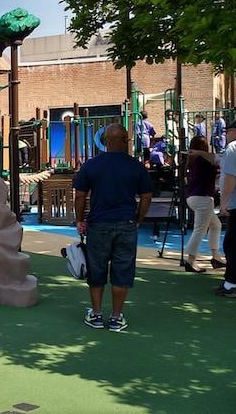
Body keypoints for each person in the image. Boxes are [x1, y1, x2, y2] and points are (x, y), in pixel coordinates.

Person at [74, 124, 153, 331]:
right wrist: (138, 219)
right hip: (127, 223)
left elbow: (80, 195)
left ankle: (97, 315)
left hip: (98, 224)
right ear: (125, 140)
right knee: (123, 270)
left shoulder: (91, 165)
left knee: (96, 270)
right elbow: (146, 195)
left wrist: (79, 219)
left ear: (105, 141)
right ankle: (116, 317)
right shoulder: (135, 166)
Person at [215, 120, 236, 297]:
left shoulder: (235, 147)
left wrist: (224, 202)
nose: (225, 135)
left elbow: (230, 177)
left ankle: (230, 285)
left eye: (226, 132)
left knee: (235, 244)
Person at [183, 136, 224, 273]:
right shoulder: (204, 161)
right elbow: (219, 166)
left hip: (193, 197)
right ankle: (190, 260)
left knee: (215, 225)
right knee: (199, 230)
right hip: (203, 198)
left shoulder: (193, 160)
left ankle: (216, 257)